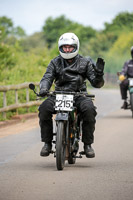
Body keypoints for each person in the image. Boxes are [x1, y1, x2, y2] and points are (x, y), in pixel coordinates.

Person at [38, 32, 105, 158]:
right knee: (44, 109)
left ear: (76, 47)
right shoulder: (55, 62)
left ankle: (87, 145)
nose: (67, 49)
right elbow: (47, 78)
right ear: (60, 48)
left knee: (89, 110)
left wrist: (99, 74)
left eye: (70, 47)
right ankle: (47, 143)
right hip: (59, 94)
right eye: (65, 47)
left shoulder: (85, 62)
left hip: (79, 95)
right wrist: (44, 88)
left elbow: (97, 84)